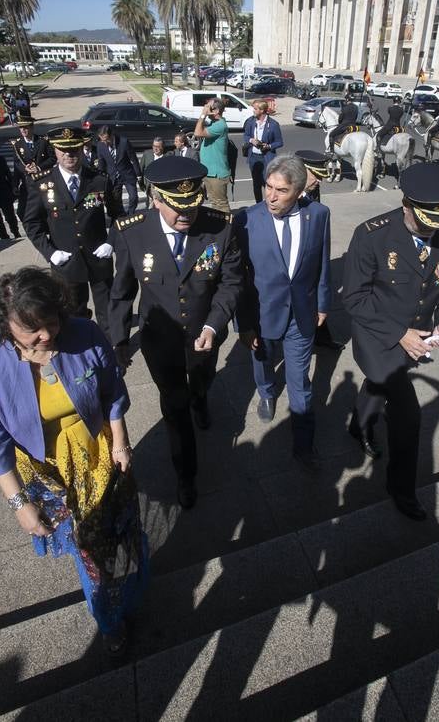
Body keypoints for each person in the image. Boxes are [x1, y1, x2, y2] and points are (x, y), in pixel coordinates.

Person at [0, 267, 147, 654]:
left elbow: (113, 391)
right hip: (45, 471)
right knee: (89, 551)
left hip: (96, 455)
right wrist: (19, 504)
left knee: (117, 534)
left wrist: (121, 443)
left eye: (50, 322)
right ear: (4, 324)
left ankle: (124, 593)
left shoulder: (83, 332)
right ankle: (109, 620)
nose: (46, 335)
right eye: (31, 329)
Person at [110, 156, 243, 509]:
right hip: (160, 339)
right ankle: (186, 475)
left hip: (205, 333)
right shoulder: (131, 230)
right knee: (174, 405)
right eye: (177, 208)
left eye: (193, 204)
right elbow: (121, 291)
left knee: (200, 382)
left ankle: (200, 397)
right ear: (156, 199)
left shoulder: (221, 226)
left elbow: (231, 282)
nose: (186, 215)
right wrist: (119, 340)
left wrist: (215, 325)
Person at [343, 163, 439, 520]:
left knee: (381, 386)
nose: (433, 231)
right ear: (406, 205)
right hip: (377, 336)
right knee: (408, 417)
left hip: (418, 334)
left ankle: (358, 422)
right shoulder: (371, 235)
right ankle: (402, 489)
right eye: (426, 222)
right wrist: (399, 334)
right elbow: (354, 299)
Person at [235, 154, 332, 473]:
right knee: (262, 361)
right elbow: (240, 279)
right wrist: (245, 324)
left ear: (300, 191)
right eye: (268, 187)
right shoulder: (246, 219)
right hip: (262, 316)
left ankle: (304, 445)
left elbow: (321, 264)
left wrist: (321, 304)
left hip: (302, 315)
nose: (271, 196)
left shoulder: (318, 215)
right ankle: (265, 392)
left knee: (300, 382)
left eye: (281, 191)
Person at [23, 126, 118, 337]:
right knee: (73, 315)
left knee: (108, 311)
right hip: (66, 263)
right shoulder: (42, 183)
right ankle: (83, 350)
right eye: (63, 149)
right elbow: (32, 223)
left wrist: (111, 241)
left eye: (74, 149)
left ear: (82, 148)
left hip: (98, 258)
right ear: (55, 150)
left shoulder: (99, 179)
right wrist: (50, 252)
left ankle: (112, 349)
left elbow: (119, 216)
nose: (69, 154)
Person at [296, 149, 344, 352]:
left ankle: (321, 335)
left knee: (316, 297)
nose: (319, 181)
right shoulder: (283, 191)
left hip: (310, 257)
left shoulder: (312, 189)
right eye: (316, 175)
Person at [10, 118, 55, 221]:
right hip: (27, 182)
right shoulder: (17, 144)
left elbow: (52, 158)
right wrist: (16, 183)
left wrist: (39, 167)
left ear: (32, 127)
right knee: (22, 211)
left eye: (25, 127)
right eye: (21, 128)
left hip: (43, 179)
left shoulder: (43, 141)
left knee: (47, 209)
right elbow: (17, 163)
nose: (23, 130)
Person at [194, 98, 231, 213]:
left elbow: (197, 133)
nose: (205, 108)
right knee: (214, 203)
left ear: (216, 111)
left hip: (217, 174)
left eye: (208, 107)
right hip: (209, 172)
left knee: (221, 204)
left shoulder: (220, 126)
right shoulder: (214, 123)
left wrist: (203, 115)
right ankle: (221, 226)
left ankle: (228, 228)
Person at [242, 99, 284, 203]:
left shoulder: (273, 124)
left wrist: (268, 146)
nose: (253, 111)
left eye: (255, 109)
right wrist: (251, 140)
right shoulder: (251, 121)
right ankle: (258, 204)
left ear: (262, 110)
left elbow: (279, 142)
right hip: (254, 158)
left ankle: (269, 203)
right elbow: (246, 135)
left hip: (266, 159)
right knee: (256, 183)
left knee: (267, 183)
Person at [96, 125, 142, 216]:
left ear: (112, 135)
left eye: (106, 139)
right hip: (113, 177)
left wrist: (138, 174)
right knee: (116, 200)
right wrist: (100, 178)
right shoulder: (100, 145)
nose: (105, 143)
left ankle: (131, 213)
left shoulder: (123, 142)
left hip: (127, 174)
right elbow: (101, 164)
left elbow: (133, 159)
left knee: (133, 197)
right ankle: (122, 215)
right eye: (102, 140)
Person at [139, 136, 169, 207]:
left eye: (158, 146)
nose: (155, 148)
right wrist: (142, 185)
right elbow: (140, 170)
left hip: (163, 188)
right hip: (150, 187)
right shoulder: (147, 154)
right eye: (154, 146)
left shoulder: (168, 156)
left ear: (163, 147)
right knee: (151, 206)